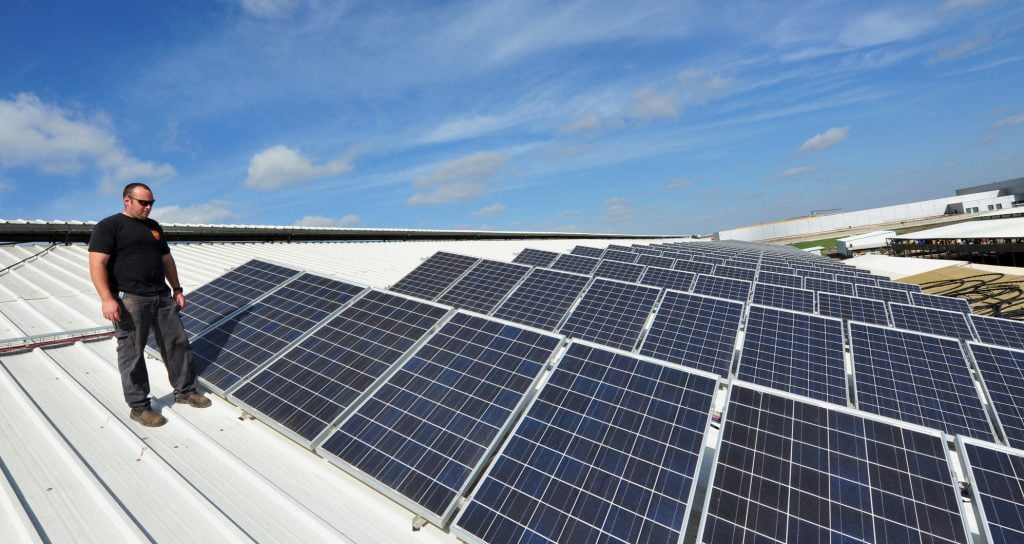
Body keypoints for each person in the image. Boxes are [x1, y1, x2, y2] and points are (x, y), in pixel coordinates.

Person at [88, 182, 211, 427]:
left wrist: (177, 289)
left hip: (162, 296)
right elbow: (97, 264)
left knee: (177, 344)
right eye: (143, 202)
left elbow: (167, 259)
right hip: (131, 298)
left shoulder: (154, 227)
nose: (148, 207)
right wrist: (107, 298)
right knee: (131, 352)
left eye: (151, 203)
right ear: (127, 201)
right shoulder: (109, 226)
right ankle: (139, 407)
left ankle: (185, 391)